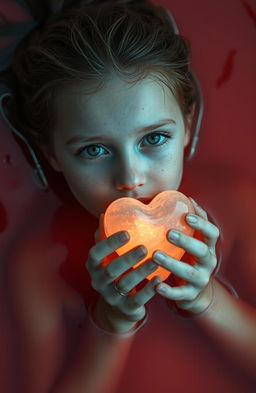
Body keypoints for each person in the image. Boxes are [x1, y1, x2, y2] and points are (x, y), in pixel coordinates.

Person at [0, 1, 255, 392]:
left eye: (153, 139)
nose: (130, 179)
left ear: (187, 126)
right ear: (52, 154)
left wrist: (205, 297)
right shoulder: (38, 265)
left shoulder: (238, 205)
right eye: (94, 150)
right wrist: (113, 321)